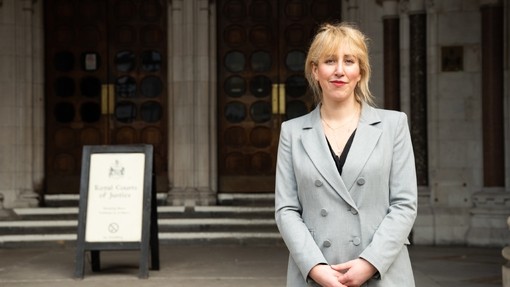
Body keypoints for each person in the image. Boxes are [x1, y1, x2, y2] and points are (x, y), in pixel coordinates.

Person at [275, 22, 418, 287]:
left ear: (360, 71)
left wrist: (369, 263)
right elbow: (286, 210)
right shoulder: (292, 132)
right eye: (330, 61)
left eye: (349, 61)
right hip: (316, 273)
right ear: (315, 70)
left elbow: (404, 204)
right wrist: (315, 267)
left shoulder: (393, 125)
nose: (339, 71)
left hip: (381, 272)